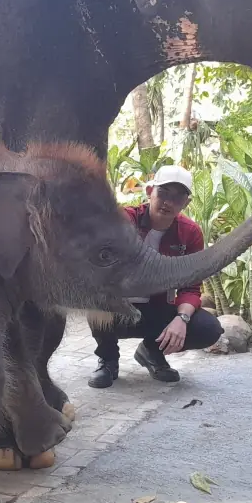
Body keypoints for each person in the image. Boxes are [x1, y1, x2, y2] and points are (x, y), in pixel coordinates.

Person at [87, 165, 224, 389]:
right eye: (163, 193)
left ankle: (152, 351)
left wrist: (182, 320)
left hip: (158, 308)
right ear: (150, 191)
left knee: (208, 329)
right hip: (118, 307)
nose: (169, 202)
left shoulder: (190, 233)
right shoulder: (123, 220)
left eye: (178, 197)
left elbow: (191, 287)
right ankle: (108, 359)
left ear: (186, 204)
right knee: (96, 302)